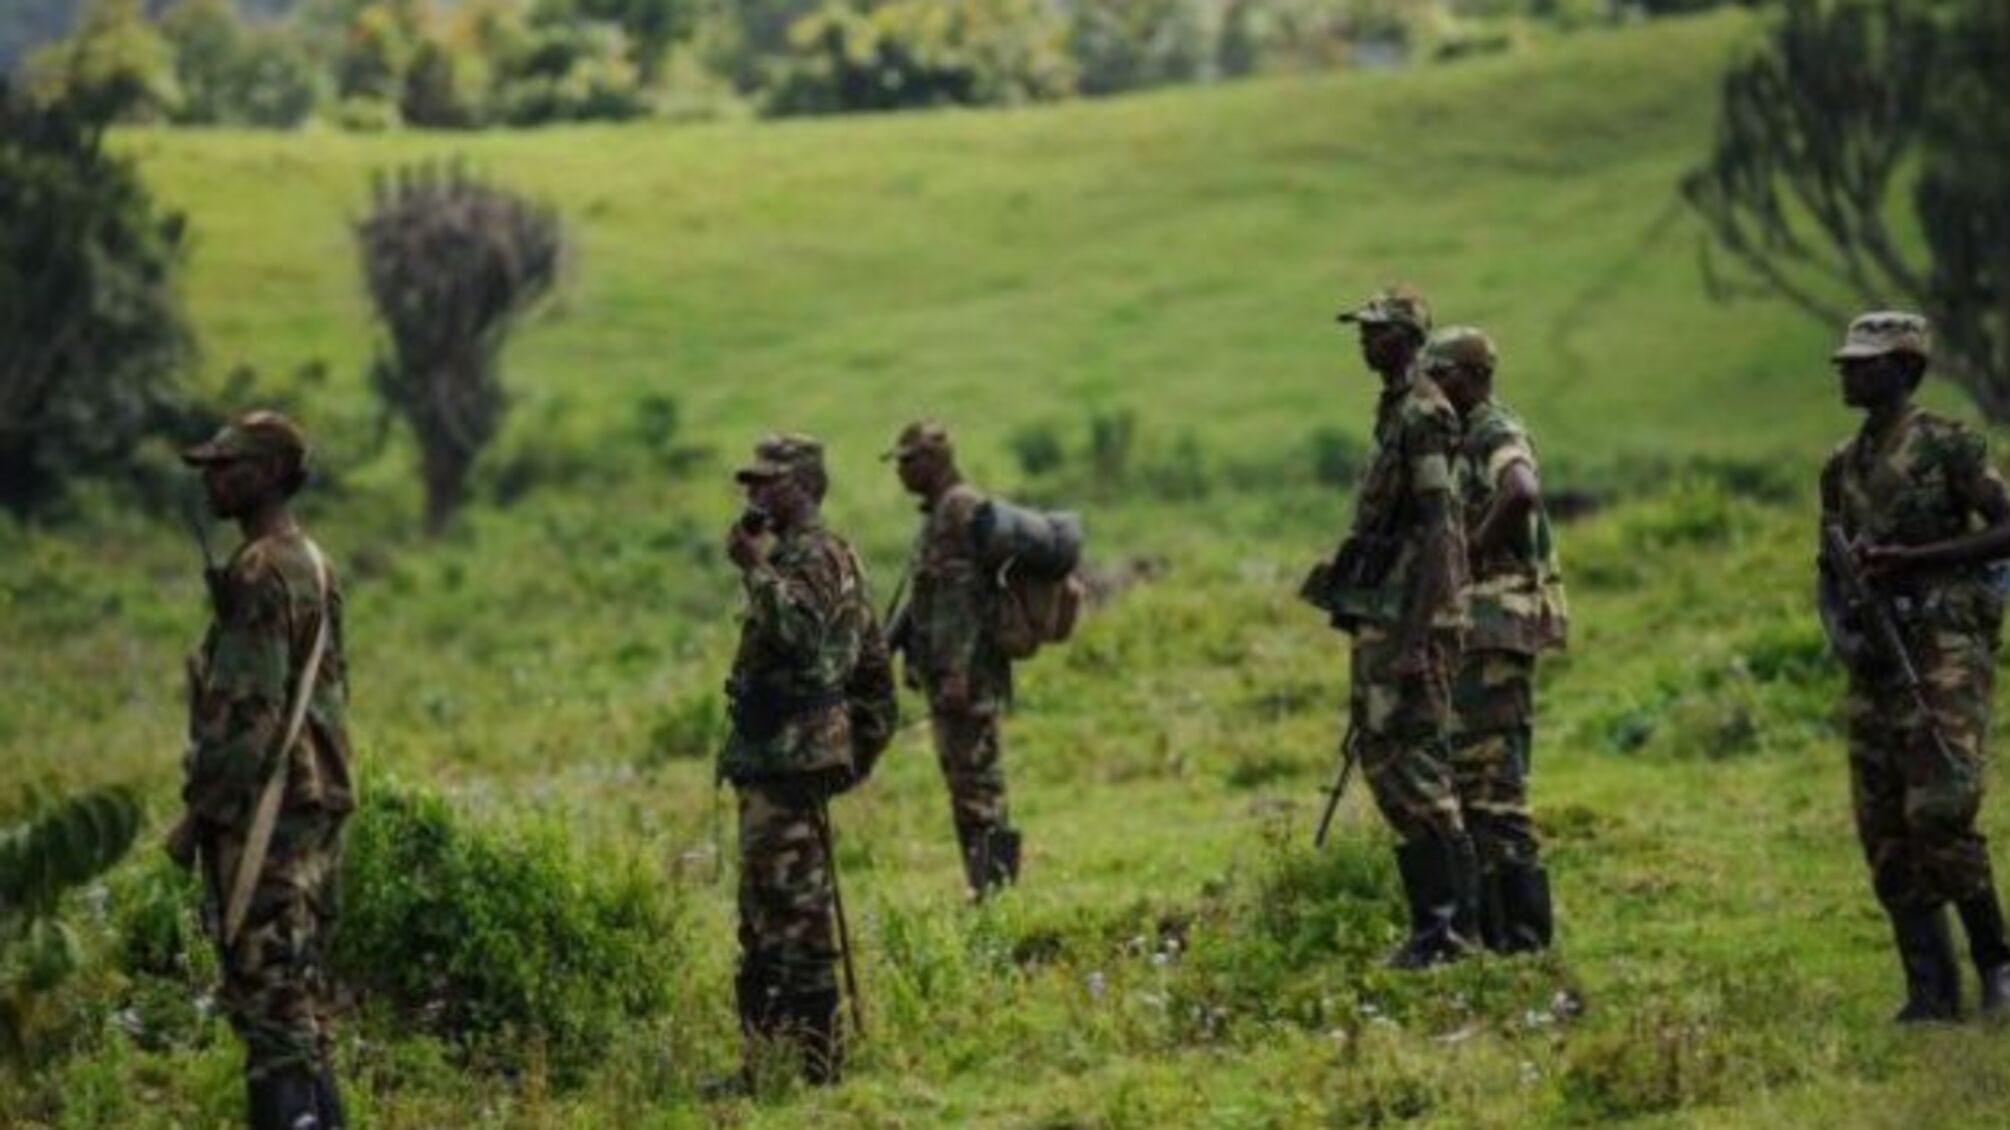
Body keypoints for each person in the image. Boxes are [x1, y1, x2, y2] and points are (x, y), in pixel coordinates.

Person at [1819, 312, 2010, 1022]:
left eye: (1863, 363)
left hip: (1943, 652)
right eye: (1846, 361)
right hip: (1874, 660)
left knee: (1941, 810)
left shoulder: (1951, 445)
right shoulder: (1840, 465)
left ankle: (1996, 963)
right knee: (1884, 828)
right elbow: (1826, 566)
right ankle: (1930, 991)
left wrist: (1917, 563)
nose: (1847, 372)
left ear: (1904, 368)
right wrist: (1842, 631)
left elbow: (2005, 527)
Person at [172, 411, 352, 1129]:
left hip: (268, 811)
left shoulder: (257, 570)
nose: (213, 479)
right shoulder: (312, 560)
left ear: (272, 475)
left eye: (230, 465)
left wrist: (202, 815)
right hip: (317, 798)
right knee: (301, 1004)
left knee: (270, 1010)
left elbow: (247, 719)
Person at [1320, 286, 1478, 968]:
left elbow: (1443, 527)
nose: (1363, 339)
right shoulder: (1391, 410)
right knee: (1386, 762)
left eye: (1376, 330)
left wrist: (1421, 637)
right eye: (1362, 329)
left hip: (1414, 618)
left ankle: (1451, 932)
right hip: (1385, 614)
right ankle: (1434, 927)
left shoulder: (1423, 414)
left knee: (1416, 767)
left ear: (1407, 337)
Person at [718, 433, 874, 1082]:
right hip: (770, 761)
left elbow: (807, 638)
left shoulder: (815, 556)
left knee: (796, 917)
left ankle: (816, 1066)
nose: (754, 494)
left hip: (791, 762)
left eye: (767, 482)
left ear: (804, 486)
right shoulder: (794, 555)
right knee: (761, 918)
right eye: (749, 483)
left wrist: (754, 569)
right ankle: (763, 1065)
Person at [1422, 327, 1568, 953]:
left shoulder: (1491, 430)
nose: (1434, 386)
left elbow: (1522, 492)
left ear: (1475, 376)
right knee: (1470, 786)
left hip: (1494, 628)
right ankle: (1495, 938)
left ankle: (1526, 943)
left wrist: (1468, 554)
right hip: (1473, 633)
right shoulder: (1458, 437)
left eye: (1444, 374)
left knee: (1495, 789)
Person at [885, 421, 1022, 898]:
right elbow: (930, 595)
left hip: (967, 680)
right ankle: (984, 889)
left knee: (979, 788)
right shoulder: (939, 513)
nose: (900, 472)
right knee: (966, 787)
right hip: (949, 678)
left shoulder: (959, 508)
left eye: (907, 461)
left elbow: (963, 598)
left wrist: (958, 672)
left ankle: (998, 896)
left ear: (933, 461)